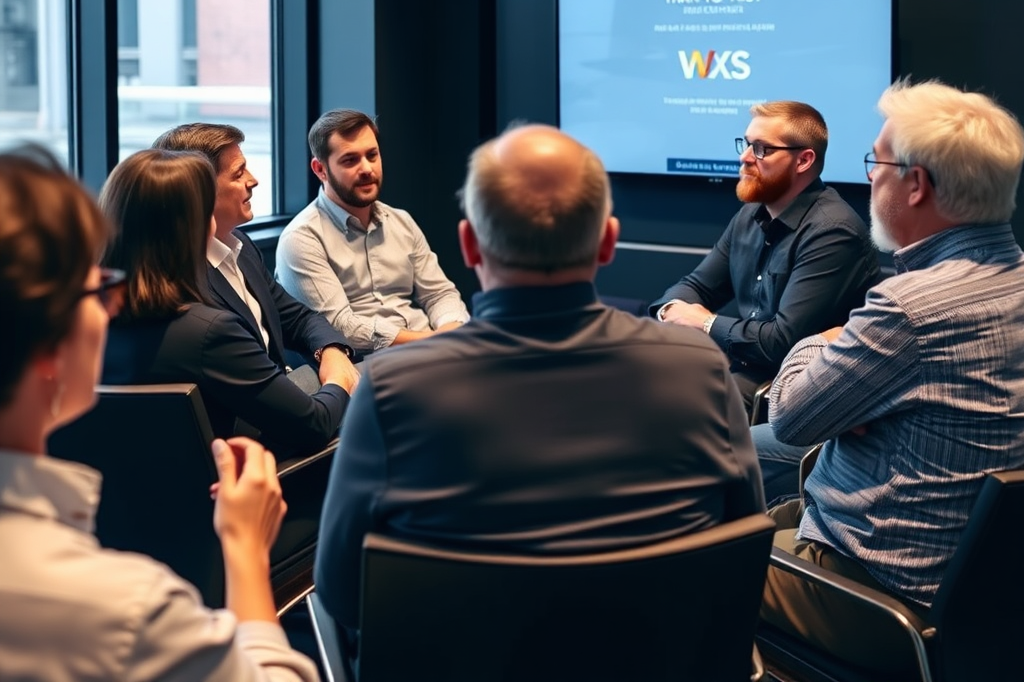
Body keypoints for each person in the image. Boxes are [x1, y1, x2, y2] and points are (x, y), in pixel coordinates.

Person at [314, 124, 765, 659]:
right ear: (608, 241)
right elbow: (740, 557)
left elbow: (344, 594)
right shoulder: (700, 372)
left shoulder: (393, 391)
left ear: (469, 244)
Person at [0, 145, 318, 682]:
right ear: (49, 348)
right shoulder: (130, 611)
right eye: (97, 287)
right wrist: (244, 549)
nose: (114, 304)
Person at [761, 80, 1024, 674]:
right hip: (990, 594)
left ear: (916, 183)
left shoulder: (910, 310)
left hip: (879, 593)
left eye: (874, 161)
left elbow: (792, 416)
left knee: (705, 568)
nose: (870, 177)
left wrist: (820, 340)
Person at [100, 149, 351, 456]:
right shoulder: (210, 332)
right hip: (235, 489)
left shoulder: (82, 322)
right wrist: (340, 378)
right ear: (192, 228)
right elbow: (313, 425)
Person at [650, 100, 880, 409]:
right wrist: (670, 313)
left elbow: (780, 343)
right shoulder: (751, 215)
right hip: (744, 368)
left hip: (795, 389)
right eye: (745, 145)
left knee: (666, 408)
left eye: (762, 149)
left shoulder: (833, 231)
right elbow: (698, 286)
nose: (745, 158)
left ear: (803, 160)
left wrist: (705, 323)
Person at [152, 123, 360, 390]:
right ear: (198, 190)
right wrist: (338, 382)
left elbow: (297, 317)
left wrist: (331, 349)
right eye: (239, 173)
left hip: (286, 393)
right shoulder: (185, 283)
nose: (253, 179)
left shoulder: (241, 244)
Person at [275, 109, 469, 358]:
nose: (366, 168)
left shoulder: (401, 221)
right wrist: (430, 342)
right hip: (367, 363)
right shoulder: (301, 239)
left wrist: (451, 330)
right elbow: (340, 326)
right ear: (320, 169)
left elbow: (439, 293)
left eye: (372, 155)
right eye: (350, 160)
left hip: (431, 348)